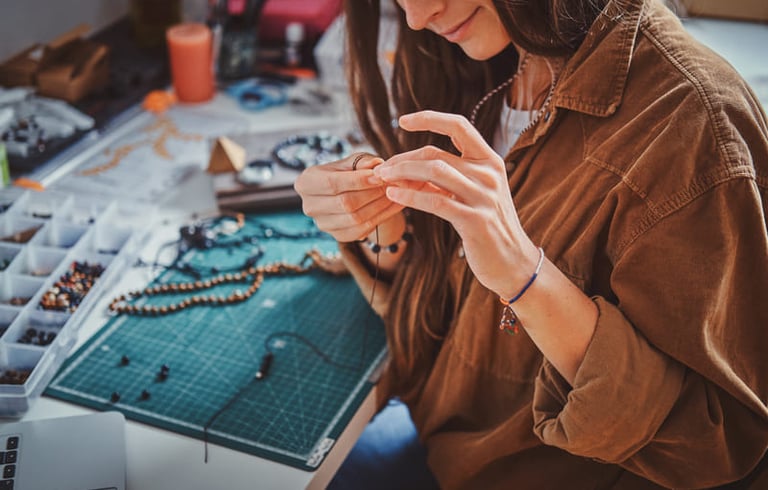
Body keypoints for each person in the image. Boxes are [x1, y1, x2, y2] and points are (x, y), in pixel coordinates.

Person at [294, 0, 768, 488]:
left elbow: (716, 446)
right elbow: (452, 316)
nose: (416, 17)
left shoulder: (694, 128)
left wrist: (525, 275)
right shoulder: (494, 59)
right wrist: (384, 232)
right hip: (443, 445)